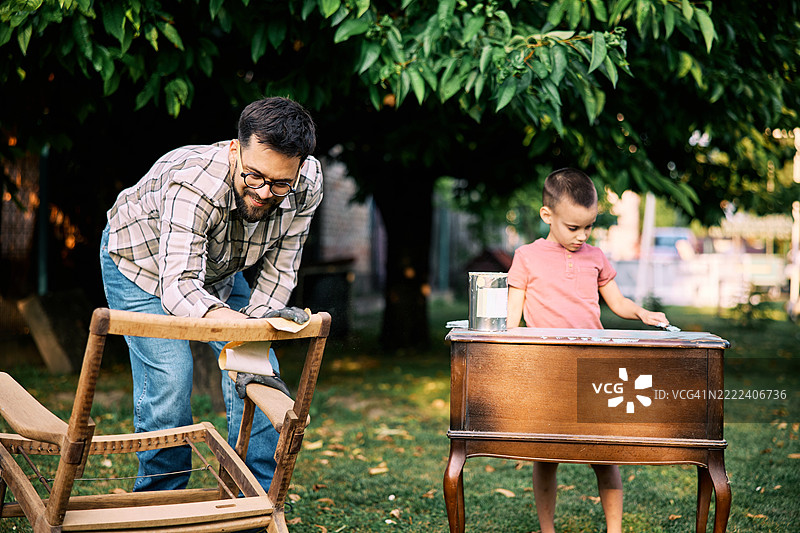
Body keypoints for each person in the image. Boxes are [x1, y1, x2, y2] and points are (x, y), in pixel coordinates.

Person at [100, 96, 323, 493]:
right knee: (171, 378)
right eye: (254, 176)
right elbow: (180, 288)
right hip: (140, 263)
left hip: (218, 269)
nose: (264, 192)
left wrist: (252, 335)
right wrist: (240, 325)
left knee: (259, 367)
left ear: (300, 168)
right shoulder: (195, 183)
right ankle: (161, 499)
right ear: (235, 149)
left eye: (279, 183)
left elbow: (280, 271)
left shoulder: (307, 185)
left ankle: (255, 497)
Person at [506, 167, 669, 533]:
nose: (582, 236)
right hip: (547, 370)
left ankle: (615, 530)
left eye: (588, 227)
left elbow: (617, 302)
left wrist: (641, 312)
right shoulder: (526, 257)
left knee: (604, 454)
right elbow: (511, 323)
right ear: (547, 215)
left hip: (595, 368)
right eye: (573, 227)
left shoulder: (595, 257)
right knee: (546, 457)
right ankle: (547, 530)